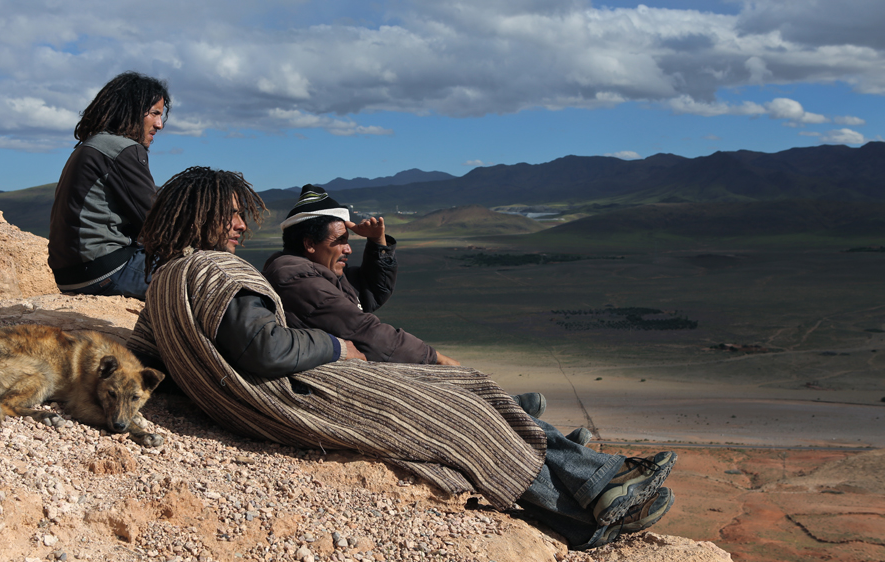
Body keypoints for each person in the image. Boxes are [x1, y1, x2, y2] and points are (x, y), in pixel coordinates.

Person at [127, 166, 677, 551]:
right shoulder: (220, 271)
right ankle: (596, 495)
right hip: (291, 394)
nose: (243, 226)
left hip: (248, 399)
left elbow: (162, 353)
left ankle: (588, 497)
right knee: (456, 415)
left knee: (461, 402)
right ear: (198, 215)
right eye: (230, 216)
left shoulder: (168, 280)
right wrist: (334, 347)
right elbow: (266, 348)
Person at [262, 185, 460, 365]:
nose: (348, 249)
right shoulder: (298, 280)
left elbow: (371, 291)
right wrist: (436, 359)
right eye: (340, 240)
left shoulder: (322, 275)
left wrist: (377, 242)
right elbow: (363, 331)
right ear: (310, 244)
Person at [47, 71, 171, 300]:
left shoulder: (91, 146)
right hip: (106, 271)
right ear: (132, 111)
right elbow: (154, 219)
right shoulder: (123, 149)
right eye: (154, 113)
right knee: (202, 280)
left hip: (71, 275)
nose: (159, 124)